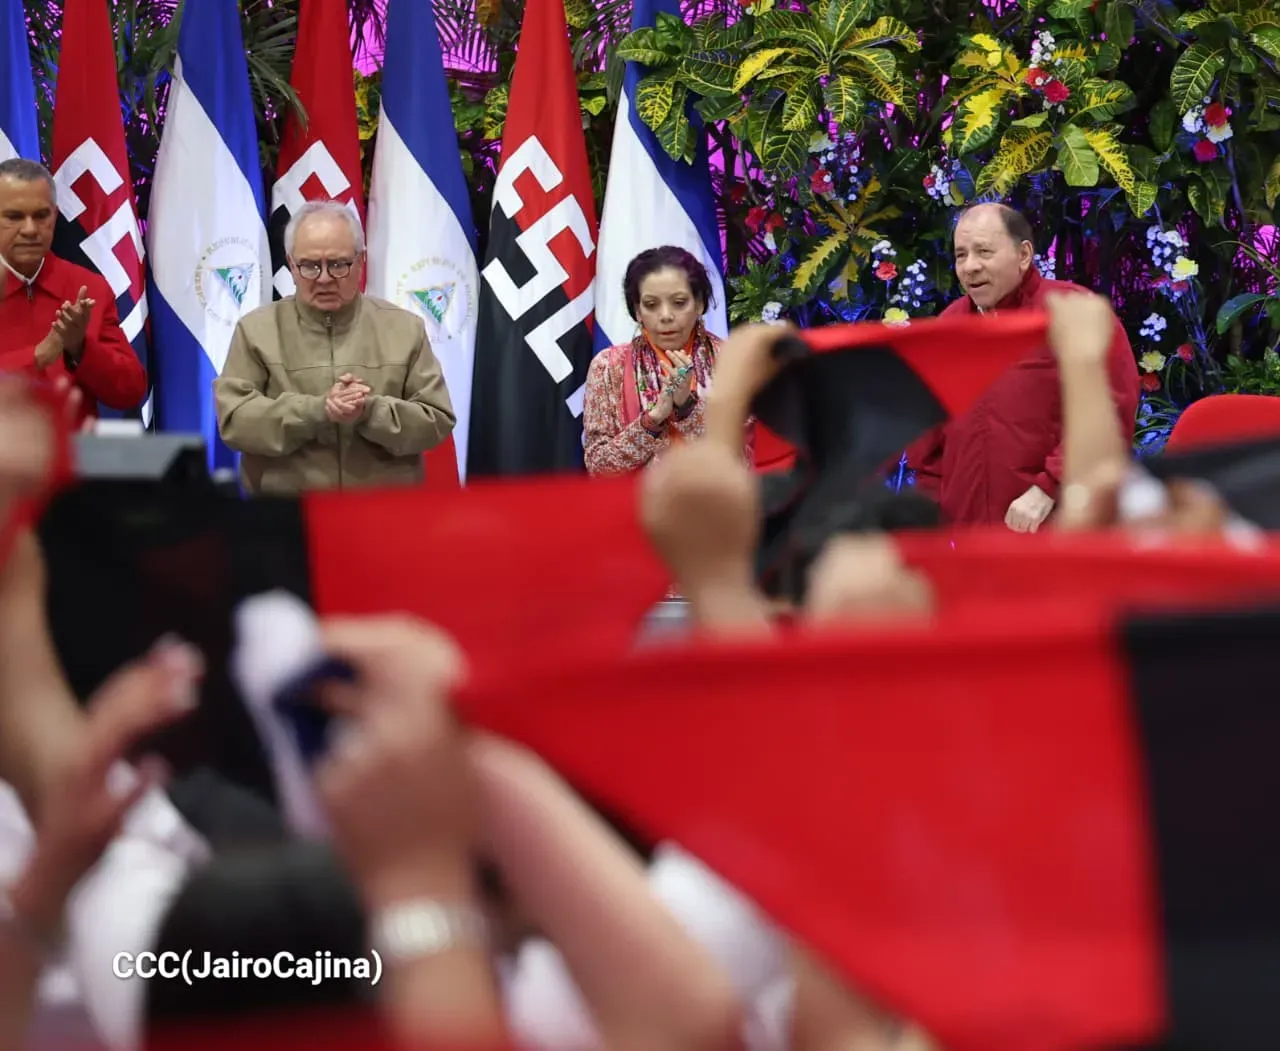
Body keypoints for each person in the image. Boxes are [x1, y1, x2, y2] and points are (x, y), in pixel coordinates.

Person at [905, 203, 1140, 532]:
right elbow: (927, 442)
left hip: (1059, 527)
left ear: (1024, 254)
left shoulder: (1071, 312)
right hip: (970, 540)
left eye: (984, 251)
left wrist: (1050, 487)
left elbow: (1112, 410)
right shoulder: (949, 328)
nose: (970, 266)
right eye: (961, 255)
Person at [215, 200, 455, 495]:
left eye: (339, 264)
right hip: (287, 519)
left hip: (385, 517)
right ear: (291, 264)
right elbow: (235, 421)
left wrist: (369, 411)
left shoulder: (405, 329)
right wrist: (317, 410)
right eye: (310, 266)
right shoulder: (255, 331)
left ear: (361, 260)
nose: (325, 278)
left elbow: (436, 419)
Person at [0, 159, 147, 426]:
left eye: (41, 215)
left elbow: (131, 390)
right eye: (14, 217)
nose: (30, 229)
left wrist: (81, 349)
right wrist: (37, 357)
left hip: (72, 461)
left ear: (55, 217)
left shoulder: (87, 288)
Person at [584, 247, 747, 476]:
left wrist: (688, 409)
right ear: (637, 310)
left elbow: (746, 466)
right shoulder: (609, 366)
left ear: (699, 304)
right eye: (651, 305)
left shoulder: (732, 363)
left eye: (679, 302)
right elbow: (598, 467)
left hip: (716, 505)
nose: (666, 315)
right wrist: (653, 420)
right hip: (634, 508)